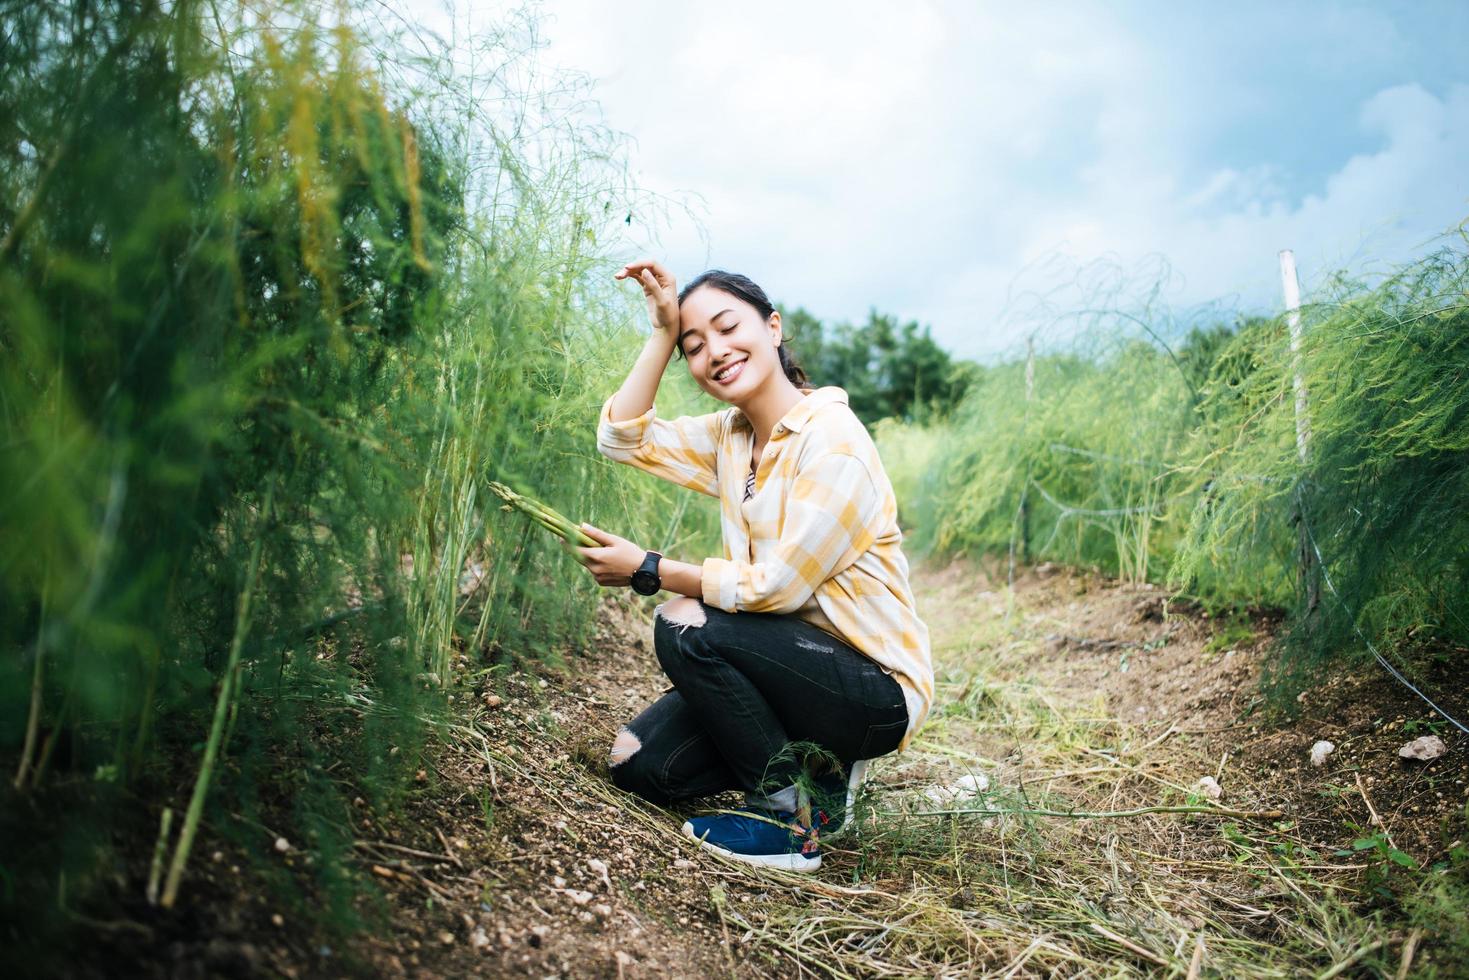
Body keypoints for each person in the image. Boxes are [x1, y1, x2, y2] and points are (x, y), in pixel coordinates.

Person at [574, 260, 933, 872]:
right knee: (638, 764)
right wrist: (662, 331)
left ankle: (788, 818)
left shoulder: (834, 440)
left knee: (684, 619)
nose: (714, 351)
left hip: (871, 690)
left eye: (726, 327)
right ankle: (817, 768)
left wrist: (651, 568)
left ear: (772, 326)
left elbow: (778, 589)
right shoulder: (731, 437)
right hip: (783, 669)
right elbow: (620, 439)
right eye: (695, 346)